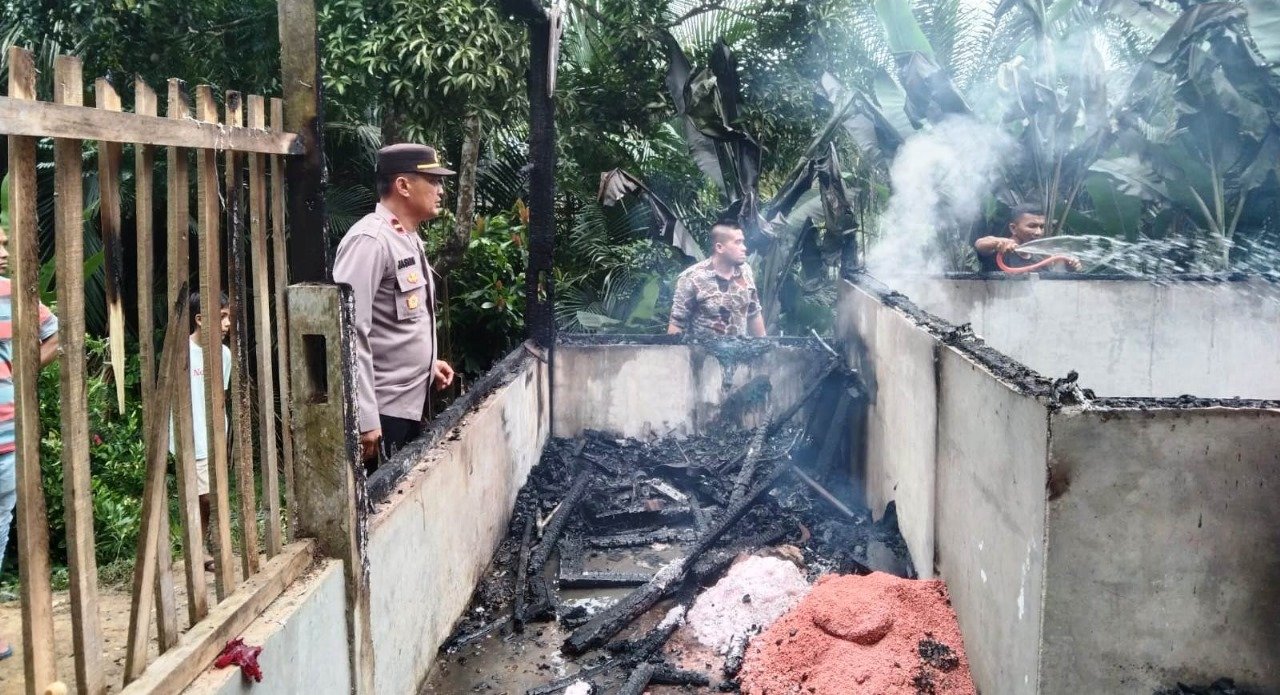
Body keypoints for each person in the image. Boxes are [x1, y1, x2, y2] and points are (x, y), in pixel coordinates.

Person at [333, 143, 457, 465]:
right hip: (382, 413)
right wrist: (364, 417)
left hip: (409, 404)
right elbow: (348, 331)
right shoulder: (370, 241)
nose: (441, 190)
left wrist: (428, 366)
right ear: (403, 185)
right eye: (433, 181)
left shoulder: (405, 237)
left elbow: (395, 323)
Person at [0, 224, 59, 661]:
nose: (5, 251)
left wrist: (17, 373)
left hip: (5, 437)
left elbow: (52, 334)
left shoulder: (12, 295)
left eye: (6, 243)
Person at [168, 291, 231, 573]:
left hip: (214, 435)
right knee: (205, 496)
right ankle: (199, 550)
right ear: (201, 319)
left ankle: (198, 549)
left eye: (228, 317)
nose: (227, 323)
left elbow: (221, 396)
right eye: (222, 317)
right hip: (191, 437)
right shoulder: (181, 351)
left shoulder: (224, 355)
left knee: (207, 496)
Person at [667, 222, 766, 338]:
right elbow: (677, 324)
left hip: (740, 348)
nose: (744, 248)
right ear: (719, 247)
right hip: (702, 349)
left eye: (742, 242)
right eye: (737, 242)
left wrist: (764, 345)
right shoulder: (692, 278)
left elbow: (754, 313)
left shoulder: (746, 271)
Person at [973, 205, 1081, 272]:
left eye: (1041, 227)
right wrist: (999, 242)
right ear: (1013, 228)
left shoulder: (1040, 258)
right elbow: (980, 244)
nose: (1038, 232)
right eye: (1032, 226)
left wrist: (1069, 268)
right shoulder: (1000, 252)